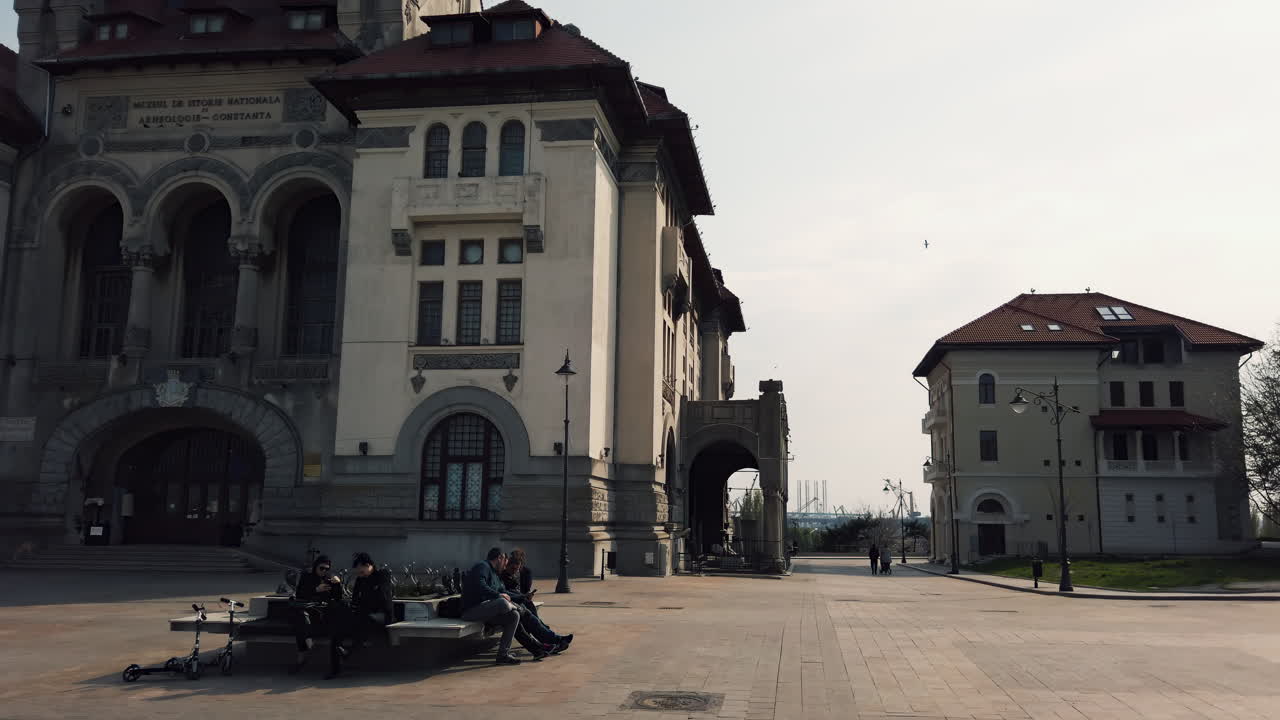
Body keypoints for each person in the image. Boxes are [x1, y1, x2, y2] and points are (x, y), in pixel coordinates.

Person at [462, 548, 549, 665]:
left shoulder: (495, 574)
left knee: (514, 616)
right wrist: (499, 595)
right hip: (471, 611)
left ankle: (503, 655)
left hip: (487, 610)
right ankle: (519, 610)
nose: (505, 566)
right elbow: (480, 585)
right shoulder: (482, 566)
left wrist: (523, 597)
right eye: (505, 562)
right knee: (502, 602)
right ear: (500, 558)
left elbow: (505, 592)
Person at [326, 552, 394, 679]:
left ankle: (348, 652)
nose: (358, 572)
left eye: (360, 569)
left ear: (368, 565)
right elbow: (355, 601)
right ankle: (335, 668)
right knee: (337, 632)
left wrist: (365, 605)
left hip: (381, 616)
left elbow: (382, 598)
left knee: (363, 622)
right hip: (363, 617)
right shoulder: (360, 580)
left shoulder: (382, 575)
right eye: (357, 570)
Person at [501, 548, 572, 654]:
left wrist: (523, 595)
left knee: (531, 615)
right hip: (510, 607)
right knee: (531, 618)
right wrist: (522, 595)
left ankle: (552, 641)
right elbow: (506, 594)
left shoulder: (516, 574)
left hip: (517, 605)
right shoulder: (502, 576)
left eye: (517, 568)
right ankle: (554, 641)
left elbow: (517, 592)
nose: (515, 571)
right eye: (512, 568)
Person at [289, 555, 343, 674]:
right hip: (307, 609)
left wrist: (338, 584)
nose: (324, 571)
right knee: (301, 618)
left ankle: (302, 657)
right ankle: (307, 643)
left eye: (326, 569)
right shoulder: (307, 577)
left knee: (301, 623)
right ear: (315, 567)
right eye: (321, 568)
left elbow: (338, 597)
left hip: (321, 612)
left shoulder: (329, 578)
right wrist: (315, 590)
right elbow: (300, 594)